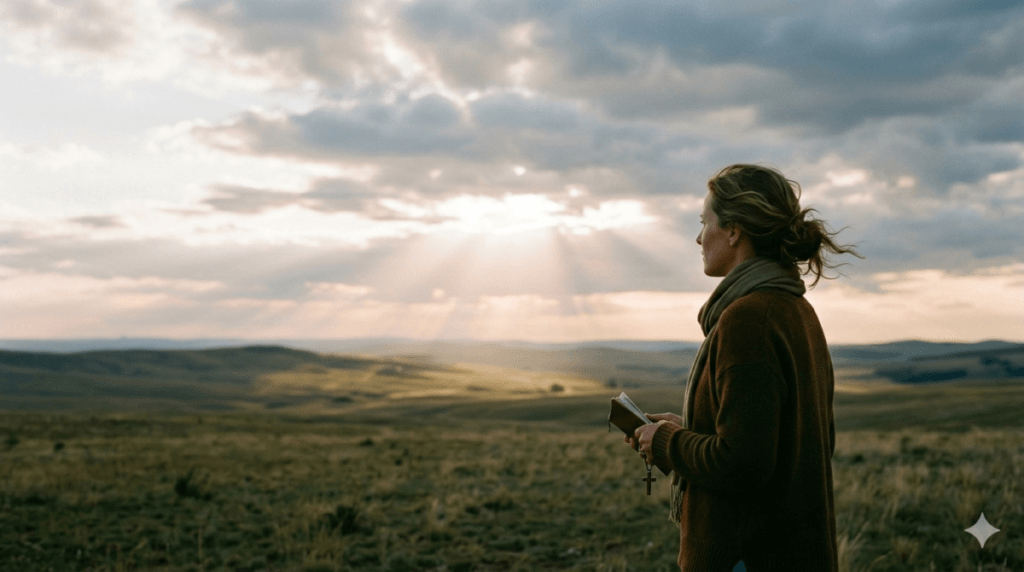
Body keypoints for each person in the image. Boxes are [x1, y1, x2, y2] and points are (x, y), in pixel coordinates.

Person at [625, 164, 861, 571]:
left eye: (706, 222)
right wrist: (687, 429)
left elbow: (742, 463)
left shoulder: (749, 319)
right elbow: (780, 440)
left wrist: (667, 442)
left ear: (734, 231)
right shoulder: (796, 309)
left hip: (748, 557)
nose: (699, 237)